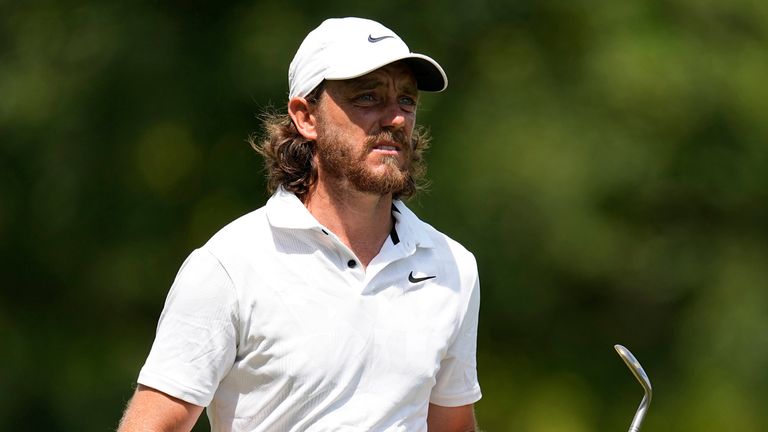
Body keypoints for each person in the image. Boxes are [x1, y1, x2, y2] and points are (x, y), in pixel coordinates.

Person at [117, 17, 481, 432]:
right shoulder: (229, 266)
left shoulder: (452, 266)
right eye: (368, 97)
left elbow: (451, 425)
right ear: (306, 117)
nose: (395, 118)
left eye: (407, 101)